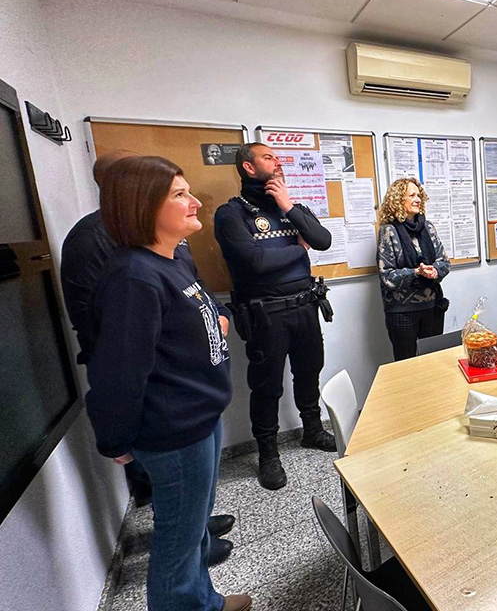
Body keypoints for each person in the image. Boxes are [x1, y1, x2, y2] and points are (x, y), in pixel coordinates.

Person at [85, 156, 251, 611]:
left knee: (194, 530)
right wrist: (115, 438)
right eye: (179, 194)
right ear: (143, 206)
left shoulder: (171, 259)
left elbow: (202, 311)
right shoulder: (134, 278)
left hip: (199, 418)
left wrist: (219, 318)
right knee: (177, 544)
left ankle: (206, 602)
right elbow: (119, 371)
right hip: (173, 430)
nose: (195, 201)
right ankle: (187, 603)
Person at [214, 143, 336, 491]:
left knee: (309, 371)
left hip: (305, 306)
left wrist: (286, 205)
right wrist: (298, 250)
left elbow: (323, 240)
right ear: (248, 168)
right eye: (269, 157)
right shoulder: (231, 214)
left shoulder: (291, 208)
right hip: (265, 313)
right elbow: (254, 262)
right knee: (266, 386)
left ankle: (312, 430)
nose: (277, 162)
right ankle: (268, 454)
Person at [377, 178, 451, 361]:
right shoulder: (389, 231)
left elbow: (444, 262)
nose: (418, 199)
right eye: (412, 195)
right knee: (407, 366)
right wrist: (416, 272)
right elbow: (386, 276)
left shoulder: (428, 227)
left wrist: (434, 271)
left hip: (432, 307)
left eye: (419, 195)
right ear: (398, 200)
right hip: (402, 312)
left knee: (433, 362)